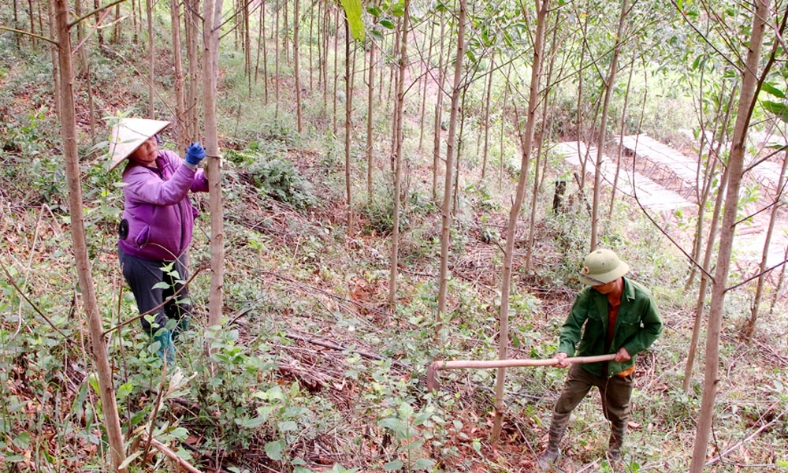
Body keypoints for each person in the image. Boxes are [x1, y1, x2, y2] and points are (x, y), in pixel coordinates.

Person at [538, 248, 663, 467]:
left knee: (618, 414)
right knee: (564, 405)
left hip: (619, 369)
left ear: (613, 279)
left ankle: (614, 456)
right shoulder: (588, 296)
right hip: (587, 364)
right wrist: (565, 350)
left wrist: (631, 348)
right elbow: (572, 326)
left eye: (597, 283)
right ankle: (551, 450)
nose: (593, 287)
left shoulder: (641, 298)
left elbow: (654, 327)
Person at [108, 118, 208, 364]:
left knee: (181, 303)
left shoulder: (167, 158)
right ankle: (165, 366)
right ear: (131, 152)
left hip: (174, 252)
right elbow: (167, 193)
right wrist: (189, 164)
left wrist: (207, 174)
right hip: (143, 258)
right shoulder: (133, 177)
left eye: (151, 139)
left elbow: (190, 180)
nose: (150, 146)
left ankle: (185, 351)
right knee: (154, 315)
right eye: (141, 144)